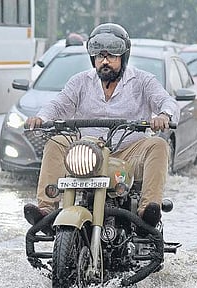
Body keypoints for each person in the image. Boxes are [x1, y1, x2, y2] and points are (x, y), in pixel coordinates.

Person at [24, 23, 179, 229]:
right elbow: (58, 105)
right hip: (88, 152)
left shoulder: (143, 81)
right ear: (93, 59)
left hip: (127, 153)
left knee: (158, 145)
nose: (105, 61)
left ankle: (147, 209)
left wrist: (163, 115)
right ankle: (46, 210)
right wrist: (41, 118)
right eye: (99, 57)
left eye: (111, 57)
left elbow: (167, 102)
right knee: (57, 141)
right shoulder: (79, 82)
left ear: (123, 57)